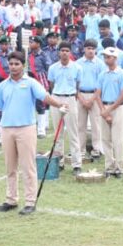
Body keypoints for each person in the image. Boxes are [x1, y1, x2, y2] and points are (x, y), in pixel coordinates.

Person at [0, 51, 67, 216]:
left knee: (28, 166)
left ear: (23, 65)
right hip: (7, 128)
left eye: (16, 64)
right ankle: (11, 199)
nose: (13, 67)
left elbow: (45, 97)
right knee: (10, 167)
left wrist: (59, 105)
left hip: (26, 128)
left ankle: (30, 201)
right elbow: (0, 108)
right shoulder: (2, 86)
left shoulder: (31, 83)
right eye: (10, 64)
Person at [46, 41, 83, 172]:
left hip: (70, 98)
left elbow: (77, 85)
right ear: (58, 52)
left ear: (70, 52)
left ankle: (76, 164)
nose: (64, 53)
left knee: (73, 133)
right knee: (58, 132)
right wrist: (57, 98)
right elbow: (51, 84)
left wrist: (71, 96)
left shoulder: (77, 68)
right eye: (62, 50)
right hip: (56, 97)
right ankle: (59, 161)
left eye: (67, 51)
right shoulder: (53, 68)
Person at [98, 46, 123, 178]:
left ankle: (119, 167)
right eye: (105, 57)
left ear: (115, 58)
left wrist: (107, 111)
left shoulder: (122, 74)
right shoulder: (102, 74)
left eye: (108, 57)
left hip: (117, 108)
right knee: (105, 139)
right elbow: (97, 94)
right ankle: (109, 166)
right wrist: (102, 110)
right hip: (104, 106)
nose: (106, 59)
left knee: (117, 139)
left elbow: (122, 95)